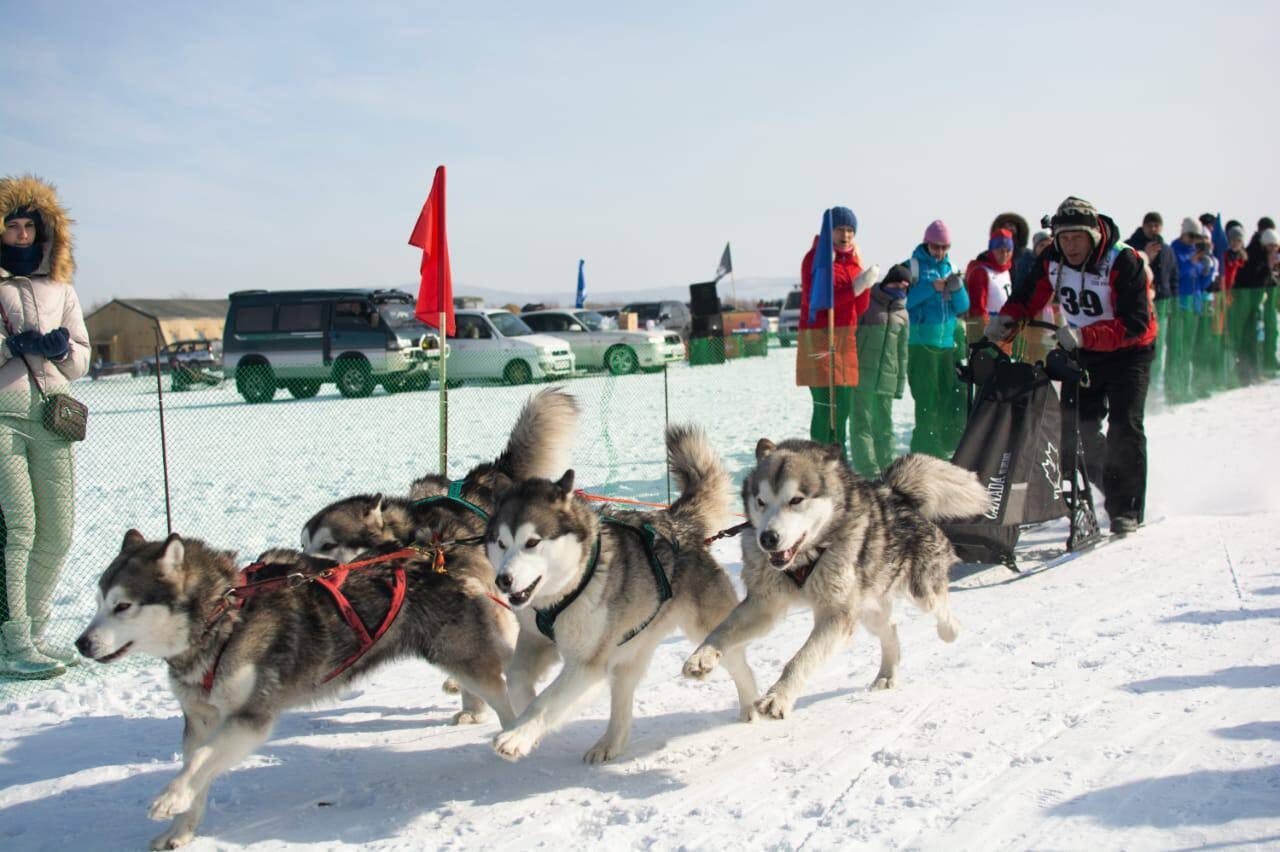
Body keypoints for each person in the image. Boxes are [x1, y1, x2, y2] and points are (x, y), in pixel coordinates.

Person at [987, 197, 1156, 535]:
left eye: (1077, 237)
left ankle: (1127, 509)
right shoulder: (1053, 259)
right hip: (1083, 350)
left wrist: (1084, 335)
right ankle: (1114, 488)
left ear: (1093, 235)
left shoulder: (1124, 260)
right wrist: (1005, 322)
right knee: (1078, 430)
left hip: (1129, 353)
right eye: (1063, 238)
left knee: (1125, 426)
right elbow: (1027, 296)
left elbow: (1135, 323)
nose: (1070, 245)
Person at [0, 175, 89, 678]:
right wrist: (10, 347)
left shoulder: (61, 287)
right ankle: (10, 640)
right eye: (12, 226)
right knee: (21, 529)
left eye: (29, 227)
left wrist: (62, 351)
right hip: (4, 414)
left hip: (54, 415)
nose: (21, 235)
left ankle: (34, 629)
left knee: (58, 529)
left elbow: (82, 356)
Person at [796, 206, 875, 456]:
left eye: (851, 230)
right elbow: (815, 300)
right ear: (829, 231)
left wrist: (865, 286)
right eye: (841, 229)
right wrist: (854, 288)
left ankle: (838, 463)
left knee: (842, 409)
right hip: (819, 338)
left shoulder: (853, 264)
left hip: (845, 341)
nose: (846, 235)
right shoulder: (816, 259)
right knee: (824, 407)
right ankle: (817, 461)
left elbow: (860, 308)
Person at [903, 220, 968, 459]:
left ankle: (945, 443)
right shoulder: (912, 268)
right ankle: (925, 446)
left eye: (944, 247)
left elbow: (963, 306)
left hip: (947, 343)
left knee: (948, 396)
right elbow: (906, 301)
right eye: (935, 247)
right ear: (926, 244)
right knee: (926, 397)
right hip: (921, 344)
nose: (940, 252)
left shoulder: (951, 267)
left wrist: (957, 287)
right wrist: (933, 287)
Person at [850, 264, 910, 477]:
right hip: (863, 375)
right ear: (888, 281)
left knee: (884, 426)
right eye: (897, 283)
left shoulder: (903, 313)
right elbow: (853, 336)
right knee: (862, 423)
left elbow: (902, 353)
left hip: (887, 379)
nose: (901, 288)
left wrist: (899, 384)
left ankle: (888, 467)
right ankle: (867, 469)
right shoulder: (868, 302)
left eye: (906, 286)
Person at [1127, 212, 1179, 388]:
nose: (1154, 229)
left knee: (1158, 347)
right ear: (1143, 226)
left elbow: (1173, 277)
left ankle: (1155, 386)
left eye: (1157, 225)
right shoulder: (1131, 246)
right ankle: (1141, 386)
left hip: (1162, 305)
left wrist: (1172, 298)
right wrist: (1147, 256)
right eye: (1150, 225)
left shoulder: (1167, 250)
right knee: (1140, 347)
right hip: (1139, 305)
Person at [1167, 218, 1216, 402]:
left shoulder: (1195, 253)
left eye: (1197, 237)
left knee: (1188, 350)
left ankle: (1185, 387)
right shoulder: (1175, 251)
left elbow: (1203, 284)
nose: (1193, 240)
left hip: (1193, 307)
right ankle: (1174, 389)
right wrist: (1191, 263)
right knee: (1177, 350)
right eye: (1191, 236)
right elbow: (1177, 275)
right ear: (1183, 233)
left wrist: (1208, 268)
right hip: (1180, 307)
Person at [1232, 225, 1279, 383]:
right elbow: (1256, 280)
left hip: (1254, 304)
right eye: (1271, 247)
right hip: (1245, 303)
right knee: (1248, 338)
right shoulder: (1255, 255)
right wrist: (1269, 267)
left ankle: (1255, 371)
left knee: (1257, 338)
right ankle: (1247, 373)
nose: (1273, 250)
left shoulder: (1260, 254)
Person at [963, 229, 1014, 349]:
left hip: (1005, 331)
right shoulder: (982, 272)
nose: (1004, 254)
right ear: (992, 249)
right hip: (988, 332)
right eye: (1000, 250)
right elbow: (977, 310)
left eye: (1008, 250)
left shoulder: (1006, 271)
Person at [991, 212, 1035, 292]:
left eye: (1011, 225)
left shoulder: (1030, 256)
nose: (1008, 228)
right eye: (1005, 226)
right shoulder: (991, 257)